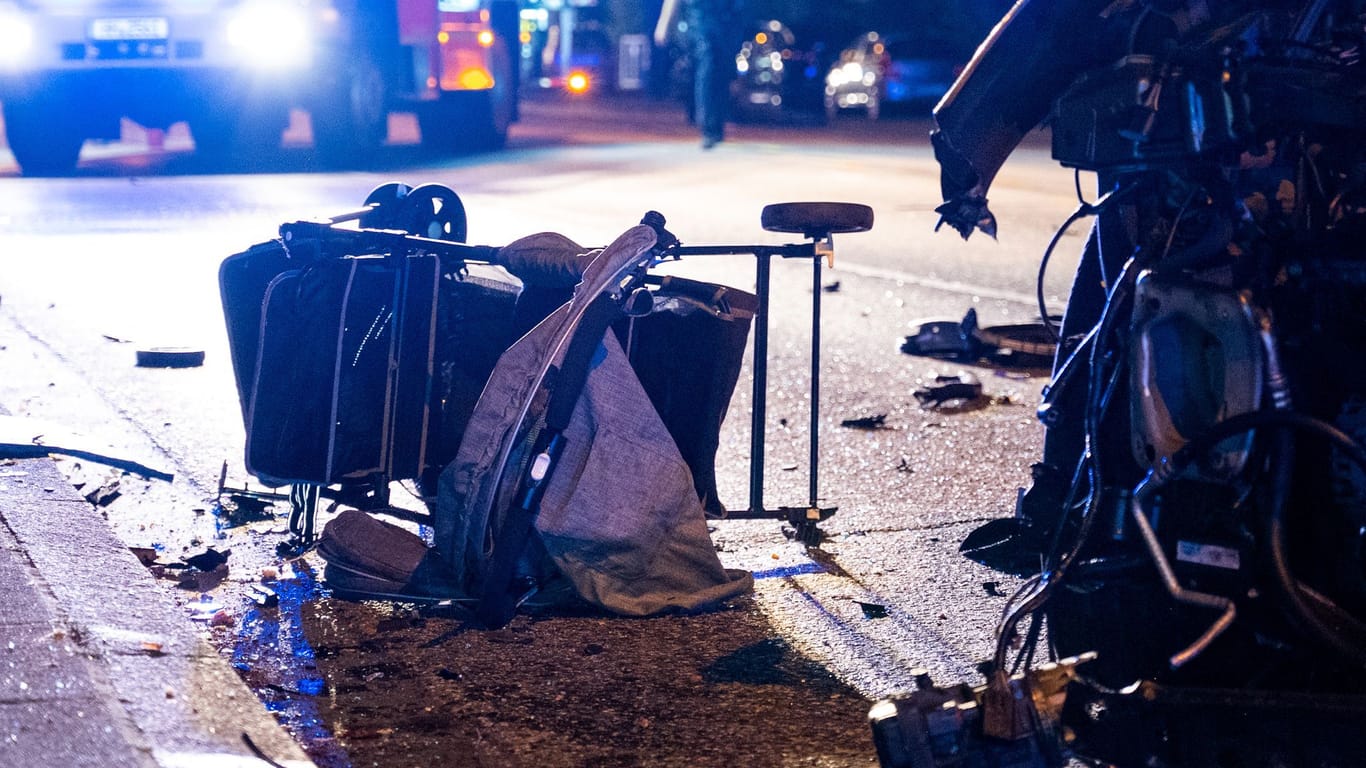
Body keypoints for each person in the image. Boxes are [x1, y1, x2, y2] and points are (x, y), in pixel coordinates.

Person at [655, 0, 743, 148]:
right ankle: (708, 126)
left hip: (725, 18)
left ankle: (716, 125)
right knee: (707, 67)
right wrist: (664, 24)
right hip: (700, 18)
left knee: (721, 70)